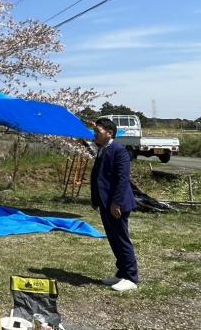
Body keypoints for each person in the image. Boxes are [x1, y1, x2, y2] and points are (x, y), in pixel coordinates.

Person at [90, 117, 139, 292]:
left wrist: (116, 203)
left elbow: (122, 179)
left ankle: (131, 277)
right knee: (113, 239)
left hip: (116, 204)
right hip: (105, 202)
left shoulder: (119, 151)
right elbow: (99, 176)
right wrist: (96, 199)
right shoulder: (102, 149)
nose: (95, 134)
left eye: (98, 131)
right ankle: (121, 272)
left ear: (110, 133)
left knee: (121, 239)